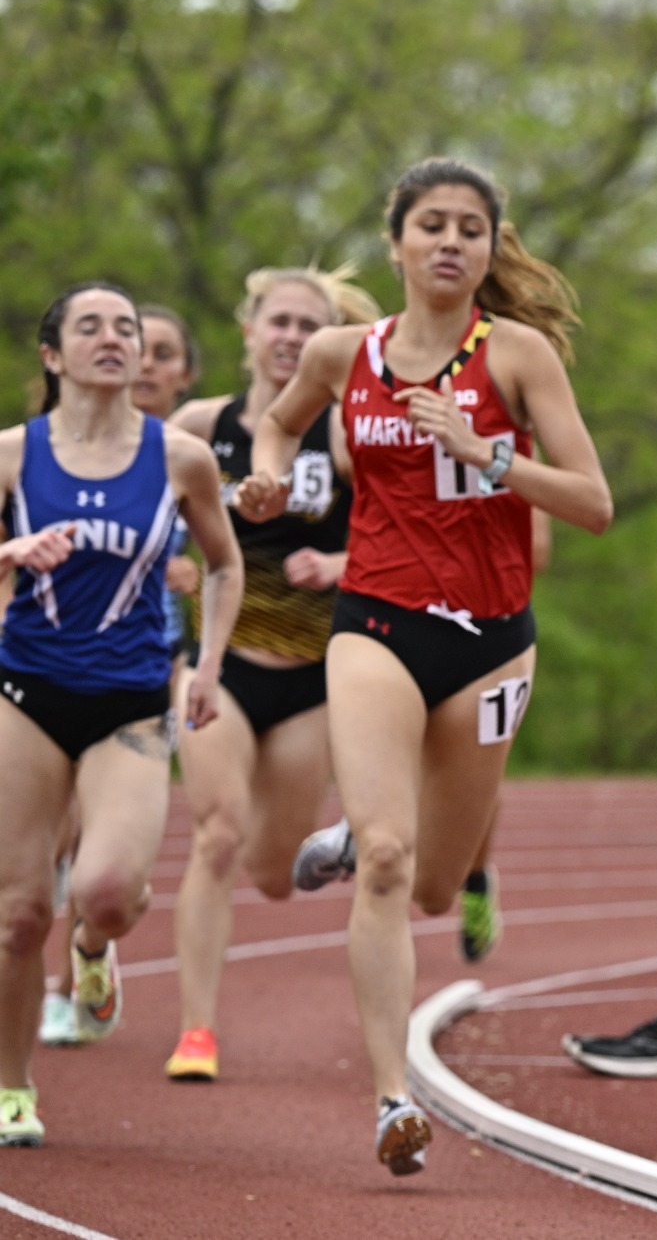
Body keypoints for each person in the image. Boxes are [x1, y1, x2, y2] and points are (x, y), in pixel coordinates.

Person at [236, 158, 612, 1175]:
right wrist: (269, 475)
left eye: (471, 229)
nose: (451, 242)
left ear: (490, 250)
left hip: (491, 643)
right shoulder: (339, 350)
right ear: (396, 241)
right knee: (394, 864)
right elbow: (276, 417)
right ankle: (391, 1100)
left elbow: (591, 501)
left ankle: (358, 832)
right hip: (377, 620)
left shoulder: (518, 355)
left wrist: (492, 455)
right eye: (432, 225)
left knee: (439, 886)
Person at [0, 283, 243, 1147]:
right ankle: (12, 1088)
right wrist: (9, 551)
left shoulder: (180, 459)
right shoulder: (13, 457)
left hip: (133, 703)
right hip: (25, 695)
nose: (113, 339)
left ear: (144, 356)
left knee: (105, 890)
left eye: (127, 329)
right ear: (53, 355)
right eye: (89, 327)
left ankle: (95, 951)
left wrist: (209, 663)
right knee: (20, 913)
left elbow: (221, 564)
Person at [162, 266, 381, 1083]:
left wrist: (342, 558)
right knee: (215, 836)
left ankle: (295, 848)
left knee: (271, 868)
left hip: (313, 676)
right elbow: (131, 519)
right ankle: (195, 1030)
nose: (291, 337)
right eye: (278, 321)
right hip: (218, 666)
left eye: (308, 325)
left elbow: (406, 539)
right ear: (249, 331)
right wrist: (170, 573)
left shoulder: (350, 435)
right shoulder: (197, 426)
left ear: (326, 341)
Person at [38, 303, 205, 1049]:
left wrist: (193, 573)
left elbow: (236, 552)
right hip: (46, 671)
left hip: (153, 667)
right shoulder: (45, 450)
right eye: (146, 347)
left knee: (107, 858)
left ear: (178, 372)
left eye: (160, 351)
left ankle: (85, 956)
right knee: (50, 843)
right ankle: (52, 982)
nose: (147, 363)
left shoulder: (185, 453)